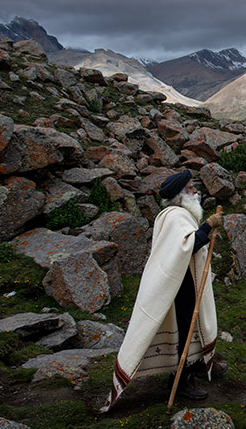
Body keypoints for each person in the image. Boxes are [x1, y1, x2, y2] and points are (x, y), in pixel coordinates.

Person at [101, 170, 226, 412]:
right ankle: (180, 382)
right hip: (179, 286)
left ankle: (200, 363)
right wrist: (208, 226)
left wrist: (204, 227)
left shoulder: (176, 215)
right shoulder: (174, 216)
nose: (195, 191)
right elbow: (185, 247)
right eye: (190, 188)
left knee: (195, 323)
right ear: (180, 195)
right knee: (185, 328)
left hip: (183, 281)